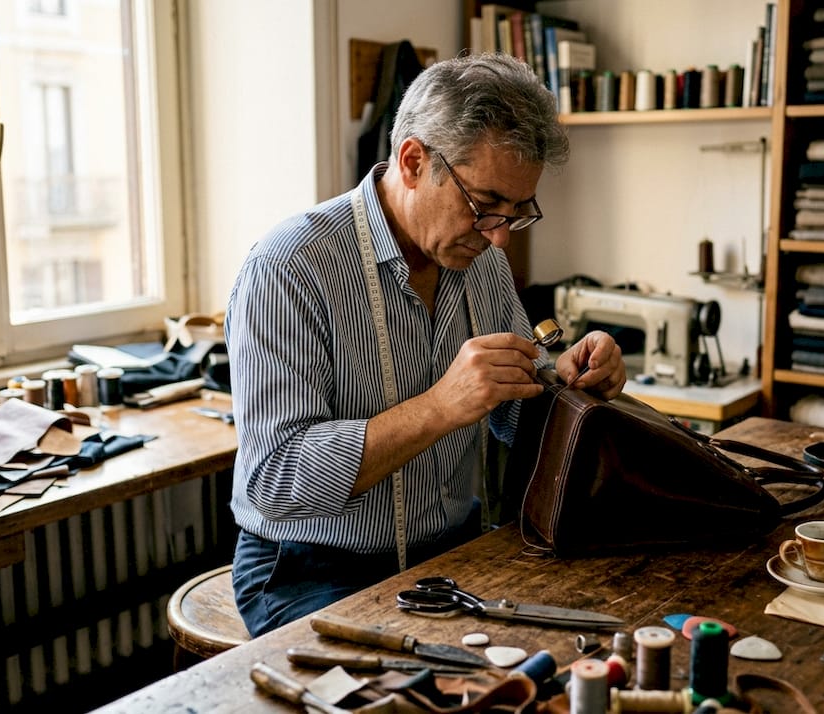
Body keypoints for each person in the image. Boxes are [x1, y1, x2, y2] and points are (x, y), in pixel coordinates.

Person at [225, 52, 626, 637]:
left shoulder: (476, 258)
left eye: (516, 213)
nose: (498, 238)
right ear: (413, 162)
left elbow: (513, 414)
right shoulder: (289, 268)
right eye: (485, 205)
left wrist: (562, 379)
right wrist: (441, 406)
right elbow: (273, 478)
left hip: (447, 546)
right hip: (310, 566)